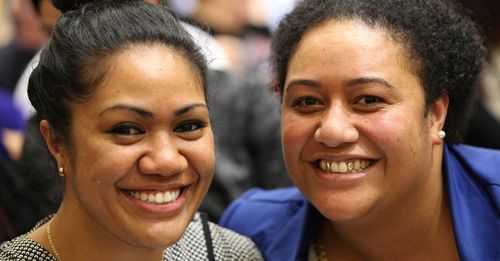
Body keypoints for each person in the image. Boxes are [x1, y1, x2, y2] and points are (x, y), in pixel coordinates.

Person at [220, 0, 500, 260]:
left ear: (435, 115)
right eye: (307, 102)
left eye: (368, 100)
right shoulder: (250, 233)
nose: (332, 131)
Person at [0, 1, 263, 260]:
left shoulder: (230, 253)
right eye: (127, 130)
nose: (166, 161)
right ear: (57, 142)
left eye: (188, 126)